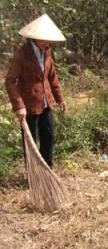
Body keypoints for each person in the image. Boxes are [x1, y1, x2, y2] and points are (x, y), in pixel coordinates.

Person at [5, 14, 67, 168]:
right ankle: (33, 174)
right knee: (31, 141)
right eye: (45, 38)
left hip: (46, 103)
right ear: (35, 37)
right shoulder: (22, 53)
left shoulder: (46, 51)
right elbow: (10, 81)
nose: (48, 41)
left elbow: (52, 76)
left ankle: (47, 170)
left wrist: (60, 99)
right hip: (29, 106)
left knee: (49, 136)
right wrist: (19, 106)